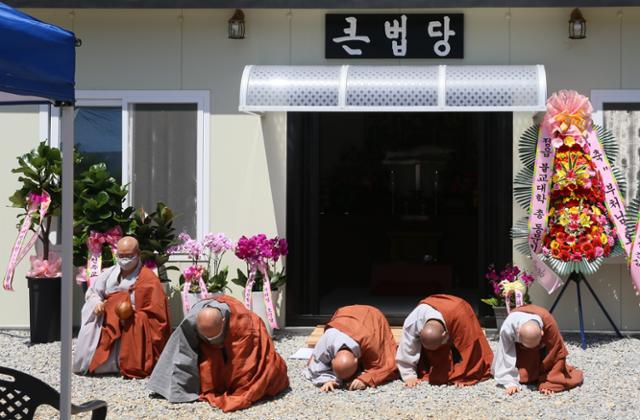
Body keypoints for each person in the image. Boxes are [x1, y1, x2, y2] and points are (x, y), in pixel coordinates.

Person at [148, 295, 289, 412]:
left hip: (236, 337)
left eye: (215, 336)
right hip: (207, 349)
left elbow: (244, 361)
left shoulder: (243, 321)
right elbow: (181, 352)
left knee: (260, 373)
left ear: (223, 321)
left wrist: (241, 388)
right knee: (182, 351)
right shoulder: (191, 320)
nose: (213, 342)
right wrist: (179, 391)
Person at [72, 236, 171, 378]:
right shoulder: (109, 273)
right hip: (108, 323)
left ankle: (125, 362)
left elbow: (157, 314)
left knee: (133, 316)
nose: (124, 259)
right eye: (121, 255)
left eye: (129, 255)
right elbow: (93, 293)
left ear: (138, 253)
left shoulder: (149, 279)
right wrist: (97, 304)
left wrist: (132, 311)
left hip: (132, 325)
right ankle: (97, 361)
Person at [396, 294, 493, 388]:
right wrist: (409, 375)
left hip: (456, 313)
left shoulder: (461, 315)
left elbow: (469, 346)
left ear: (445, 335)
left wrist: (466, 376)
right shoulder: (414, 320)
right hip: (435, 329)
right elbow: (407, 346)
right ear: (420, 332)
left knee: (468, 348)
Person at [492, 304, 584, 395]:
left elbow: (557, 351)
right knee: (524, 376)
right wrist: (510, 383)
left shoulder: (548, 322)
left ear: (542, 332)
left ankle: (545, 375)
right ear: (518, 334)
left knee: (556, 372)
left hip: (542, 351)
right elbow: (504, 353)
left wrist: (550, 382)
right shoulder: (508, 327)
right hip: (521, 351)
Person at [304, 305, 398, 392]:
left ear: (357, 360)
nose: (345, 383)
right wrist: (328, 380)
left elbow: (388, 365)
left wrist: (366, 379)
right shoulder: (327, 340)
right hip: (345, 314)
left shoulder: (371, 343)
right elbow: (314, 366)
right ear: (332, 360)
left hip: (371, 317)